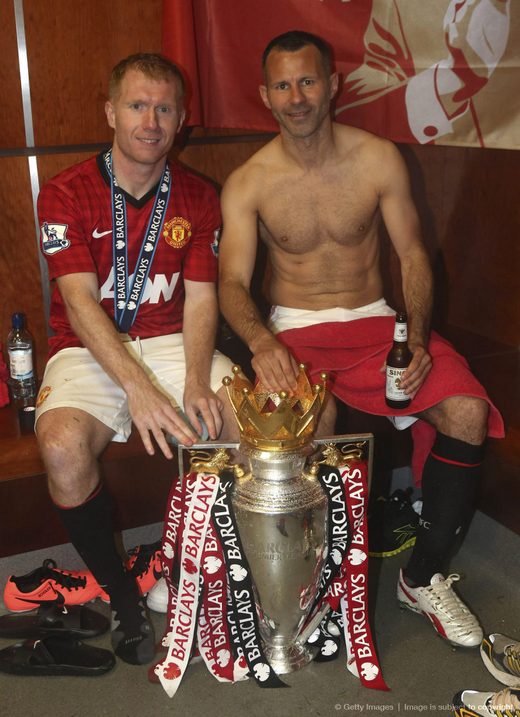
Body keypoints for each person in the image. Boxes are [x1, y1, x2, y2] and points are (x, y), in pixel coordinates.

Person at [218, 31, 504, 648]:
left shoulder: (377, 159)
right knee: (311, 426)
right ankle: (312, 589)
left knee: (467, 409)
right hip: (296, 333)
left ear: (333, 84)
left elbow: (414, 254)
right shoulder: (248, 182)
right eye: (283, 85)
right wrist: (263, 343)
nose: (297, 97)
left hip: (378, 324)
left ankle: (422, 577)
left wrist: (418, 338)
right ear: (265, 95)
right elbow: (232, 284)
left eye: (308, 81)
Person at [35, 53, 238, 665]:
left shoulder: (200, 196)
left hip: (175, 343)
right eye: (137, 106)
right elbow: (78, 303)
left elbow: (202, 300)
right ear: (110, 112)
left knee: (245, 418)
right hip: (87, 346)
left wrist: (197, 379)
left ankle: (215, 574)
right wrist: (138, 386)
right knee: (61, 448)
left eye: (164, 109)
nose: (151, 122)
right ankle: (123, 595)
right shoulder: (65, 192)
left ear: (181, 120)